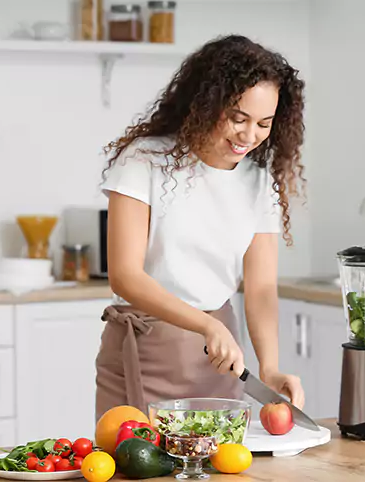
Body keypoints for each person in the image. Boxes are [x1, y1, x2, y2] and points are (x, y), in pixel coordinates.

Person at [95, 35, 307, 421]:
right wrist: (205, 324)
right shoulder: (144, 161)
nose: (249, 136)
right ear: (205, 103)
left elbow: (259, 288)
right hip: (145, 346)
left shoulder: (259, 183)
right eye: (238, 118)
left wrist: (270, 367)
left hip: (219, 360)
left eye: (264, 123)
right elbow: (125, 275)